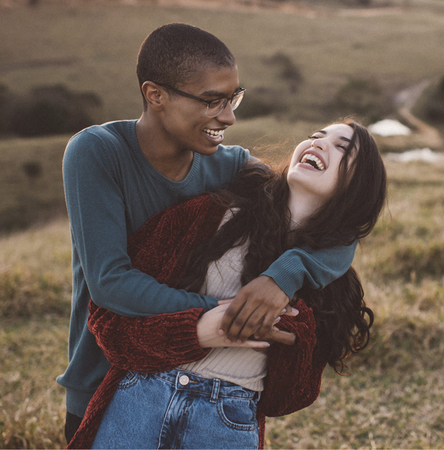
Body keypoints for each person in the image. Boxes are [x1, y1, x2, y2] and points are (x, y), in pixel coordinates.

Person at [59, 23, 357, 442]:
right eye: (212, 101)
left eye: (233, 98)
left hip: (210, 394)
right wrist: (225, 315)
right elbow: (110, 283)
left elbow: (342, 229)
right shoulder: (97, 151)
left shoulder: (230, 164)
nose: (229, 116)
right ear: (155, 95)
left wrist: (281, 277)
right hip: (103, 375)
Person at [65, 121, 387, 448]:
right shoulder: (209, 214)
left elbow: (287, 399)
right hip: (139, 399)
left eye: (342, 148)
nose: (318, 144)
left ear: (359, 186)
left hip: (226, 420)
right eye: (315, 136)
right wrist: (198, 331)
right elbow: (110, 323)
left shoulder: (330, 281)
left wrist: (294, 331)